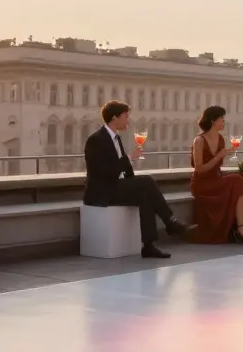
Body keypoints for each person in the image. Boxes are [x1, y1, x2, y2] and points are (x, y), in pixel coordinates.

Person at [83, 100, 197, 258]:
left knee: (144, 194)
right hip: (102, 192)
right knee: (146, 181)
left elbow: (123, 169)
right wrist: (129, 158)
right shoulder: (96, 140)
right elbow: (104, 171)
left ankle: (149, 245)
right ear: (115, 117)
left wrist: (131, 176)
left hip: (116, 187)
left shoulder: (117, 138)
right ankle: (170, 222)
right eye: (125, 116)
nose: (127, 120)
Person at [188, 106, 243, 244]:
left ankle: (241, 228)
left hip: (216, 179)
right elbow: (199, 169)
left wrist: (224, 156)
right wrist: (219, 156)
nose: (224, 122)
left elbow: (217, 166)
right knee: (237, 181)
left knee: (238, 181)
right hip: (202, 183)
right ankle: (240, 229)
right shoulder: (199, 140)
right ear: (213, 120)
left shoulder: (221, 139)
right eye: (221, 119)